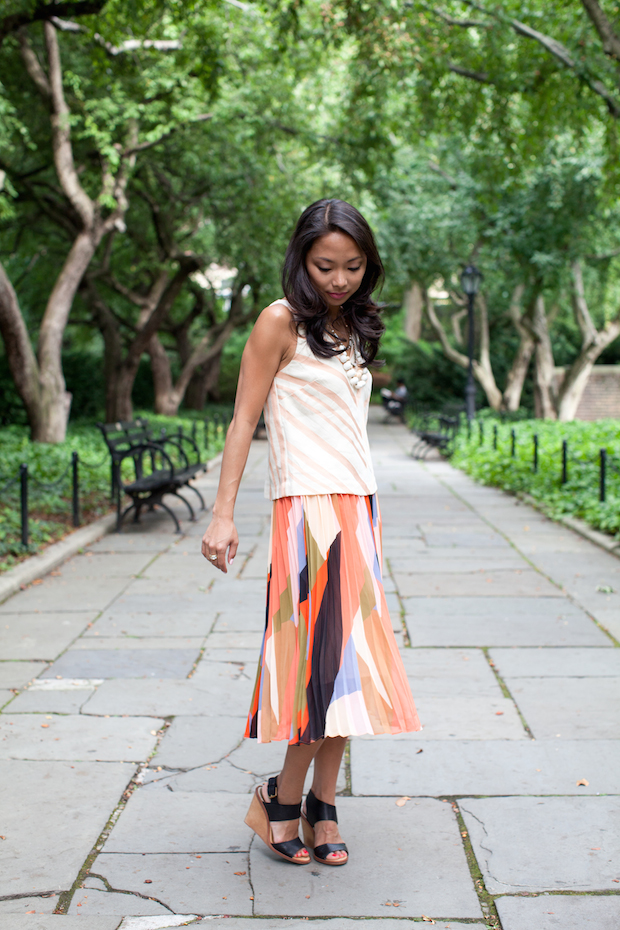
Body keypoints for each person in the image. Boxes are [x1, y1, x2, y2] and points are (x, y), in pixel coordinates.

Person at [201, 199, 421, 868]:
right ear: (300, 257)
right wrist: (222, 511)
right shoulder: (279, 321)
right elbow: (244, 422)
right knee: (316, 672)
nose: (339, 279)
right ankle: (280, 798)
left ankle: (321, 804)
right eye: (326, 265)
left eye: (353, 266)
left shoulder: (355, 325)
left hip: (358, 508)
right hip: (305, 511)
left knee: (350, 669)